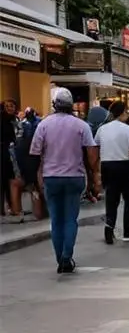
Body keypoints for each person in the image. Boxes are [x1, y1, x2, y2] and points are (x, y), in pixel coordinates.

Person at [29, 88, 100, 273]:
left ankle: (59, 257)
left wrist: (37, 179)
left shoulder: (43, 125)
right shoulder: (81, 125)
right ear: (71, 106)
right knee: (70, 219)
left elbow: (35, 154)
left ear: (54, 104)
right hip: (74, 177)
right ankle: (67, 257)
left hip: (50, 177)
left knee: (56, 220)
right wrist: (94, 176)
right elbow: (91, 154)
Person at [95, 101, 129, 243]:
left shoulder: (102, 129)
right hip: (125, 166)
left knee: (111, 199)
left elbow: (96, 144)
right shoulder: (127, 129)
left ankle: (109, 229)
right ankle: (127, 231)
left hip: (107, 165)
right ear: (121, 113)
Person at [10, 108, 44, 221]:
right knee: (34, 188)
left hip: (22, 165)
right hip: (33, 165)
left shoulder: (18, 143)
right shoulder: (36, 137)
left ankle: (17, 212)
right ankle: (38, 213)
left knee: (16, 184)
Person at [1, 99, 19, 219]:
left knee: (9, 180)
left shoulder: (15, 120)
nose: (9, 108)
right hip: (3, 152)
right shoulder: (3, 120)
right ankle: (4, 208)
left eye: (11, 106)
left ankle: (11, 207)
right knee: (3, 180)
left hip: (10, 152)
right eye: (7, 106)